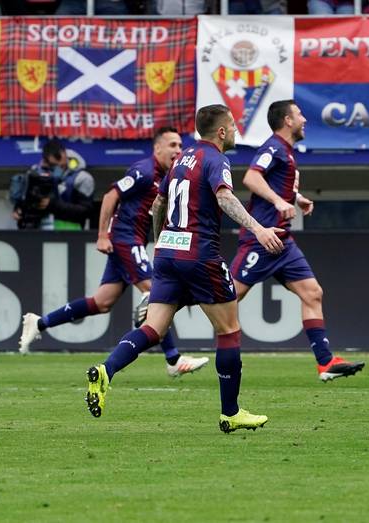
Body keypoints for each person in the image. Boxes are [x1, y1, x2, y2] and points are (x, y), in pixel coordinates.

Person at [86, 104, 284, 433]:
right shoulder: (216, 159)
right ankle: (230, 412)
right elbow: (225, 198)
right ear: (221, 132)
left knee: (153, 330)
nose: (235, 131)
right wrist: (258, 229)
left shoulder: (182, 160)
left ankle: (105, 371)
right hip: (200, 254)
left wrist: (161, 239)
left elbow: (158, 205)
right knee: (229, 330)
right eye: (233, 126)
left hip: (166, 253)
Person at [19, 127, 209, 378]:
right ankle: (173, 359)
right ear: (157, 148)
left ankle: (39, 322)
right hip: (124, 239)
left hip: (132, 240)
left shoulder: (167, 176)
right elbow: (110, 196)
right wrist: (102, 235)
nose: (178, 150)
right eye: (172, 145)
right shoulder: (144, 170)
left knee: (102, 302)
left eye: (180, 145)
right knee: (157, 292)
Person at [229, 100, 365, 382]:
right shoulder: (273, 147)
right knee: (228, 297)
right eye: (300, 115)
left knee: (312, 293)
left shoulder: (287, 153)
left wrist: (295, 198)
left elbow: (275, 185)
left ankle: (325, 364)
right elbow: (252, 178)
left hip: (283, 241)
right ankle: (165, 310)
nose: (305, 119)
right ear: (287, 121)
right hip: (262, 239)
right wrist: (279, 201)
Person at [11, 139, 95, 230]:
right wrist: (19, 210)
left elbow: (86, 212)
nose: (59, 169)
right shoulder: (35, 175)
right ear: (45, 161)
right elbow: (26, 201)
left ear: (65, 154)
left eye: (62, 165)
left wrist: (53, 205)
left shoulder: (82, 178)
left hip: (71, 236)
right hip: (37, 232)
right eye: (54, 165)